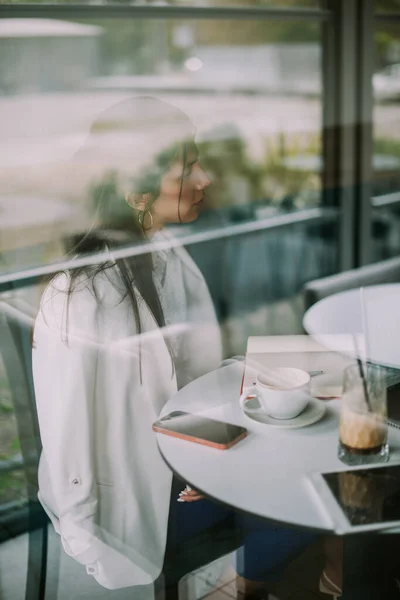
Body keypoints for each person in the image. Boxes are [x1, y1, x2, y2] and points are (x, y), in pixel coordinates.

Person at [32, 96, 315, 593]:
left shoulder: (163, 250)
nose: (204, 179)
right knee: (308, 499)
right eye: (187, 168)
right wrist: (87, 541)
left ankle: (247, 582)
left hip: (191, 462)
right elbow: (67, 444)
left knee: (313, 474)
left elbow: (196, 373)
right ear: (136, 192)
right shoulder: (80, 297)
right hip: (139, 503)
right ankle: (233, 585)